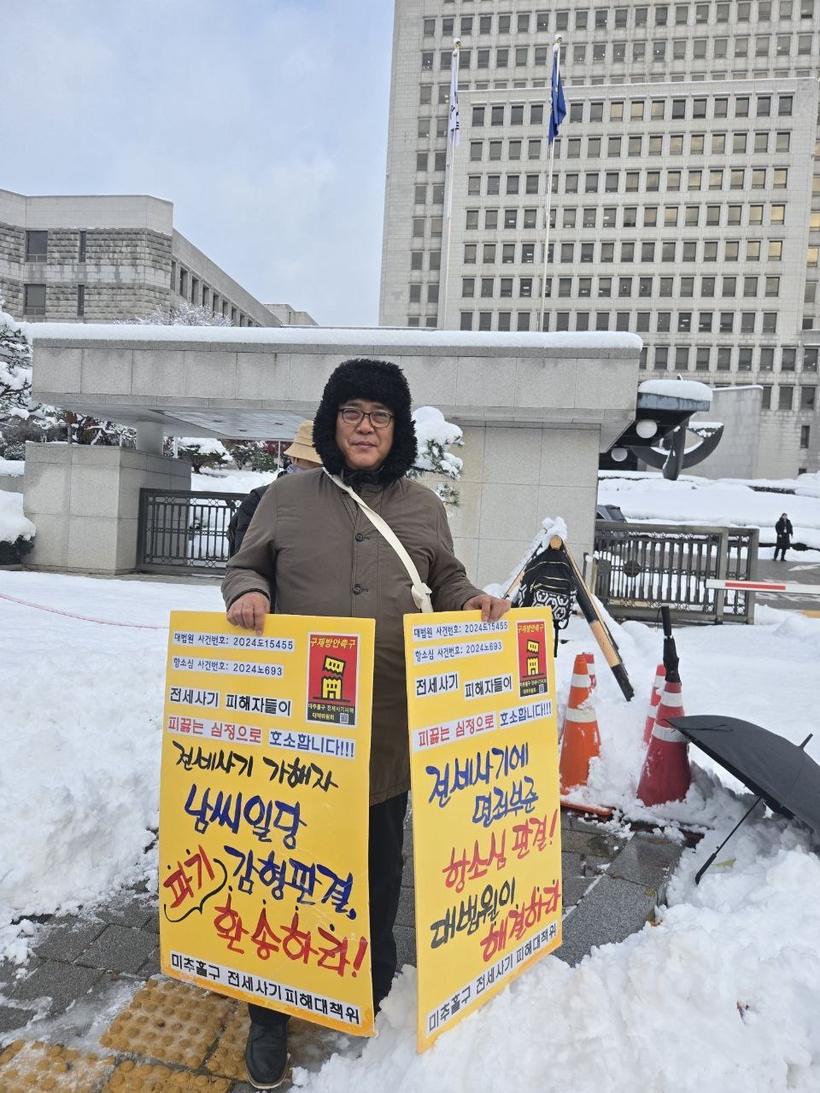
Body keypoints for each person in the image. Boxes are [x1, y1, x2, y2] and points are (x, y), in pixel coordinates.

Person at [222, 357, 509, 1089]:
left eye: (379, 414)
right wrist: (249, 592)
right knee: (281, 875)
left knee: (379, 876)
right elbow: (243, 565)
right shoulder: (286, 498)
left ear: (397, 428)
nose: (364, 424)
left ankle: (368, 994)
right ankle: (268, 1013)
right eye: (352, 410)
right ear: (331, 421)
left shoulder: (423, 507)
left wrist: (472, 600)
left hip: (384, 732)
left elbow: (445, 579)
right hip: (296, 738)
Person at [226, 421, 321, 557]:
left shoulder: (340, 499)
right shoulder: (261, 499)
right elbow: (245, 561)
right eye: (312, 464)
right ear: (293, 459)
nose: (318, 474)